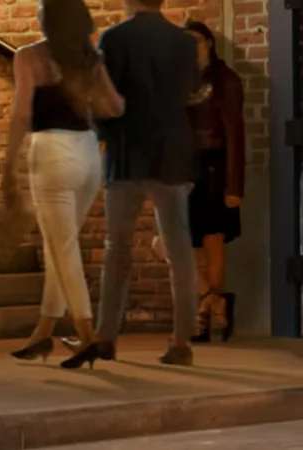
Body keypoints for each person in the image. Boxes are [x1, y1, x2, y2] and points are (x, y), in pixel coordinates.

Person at [2, 0, 125, 369]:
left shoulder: (29, 57)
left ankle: (88, 337)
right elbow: (116, 107)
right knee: (60, 244)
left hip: (51, 153)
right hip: (88, 155)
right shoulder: (91, 60)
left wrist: (8, 166)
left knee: (62, 246)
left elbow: (23, 112)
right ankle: (43, 333)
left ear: (46, 20)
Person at [89, 0, 201, 366]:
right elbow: (192, 94)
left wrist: (103, 132)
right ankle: (182, 340)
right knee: (179, 249)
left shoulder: (115, 38)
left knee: (117, 249)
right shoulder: (184, 42)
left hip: (127, 153)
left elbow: (104, 97)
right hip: (171, 153)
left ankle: (106, 337)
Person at [182, 21, 244, 343]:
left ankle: (204, 317)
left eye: (194, 41)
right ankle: (215, 299)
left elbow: (235, 134)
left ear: (208, 43)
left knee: (212, 242)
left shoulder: (226, 80)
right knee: (181, 243)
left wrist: (235, 186)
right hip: (185, 167)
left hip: (215, 167)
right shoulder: (181, 81)